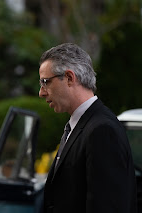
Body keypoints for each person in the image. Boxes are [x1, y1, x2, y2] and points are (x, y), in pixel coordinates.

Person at [38, 43, 137, 213]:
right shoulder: (82, 124)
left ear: (69, 77)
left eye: (45, 82)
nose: (41, 92)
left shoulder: (102, 130)